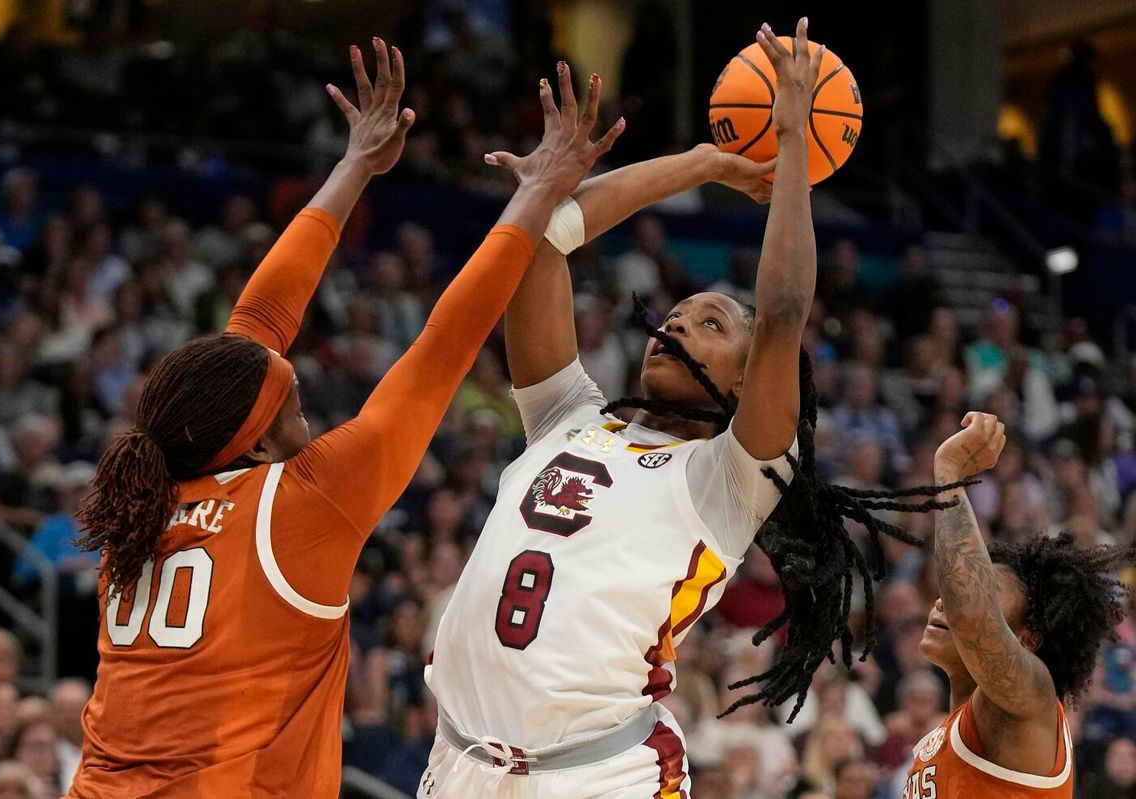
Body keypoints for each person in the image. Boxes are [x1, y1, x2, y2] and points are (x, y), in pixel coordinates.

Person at [67, 39, 623, 797]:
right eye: (293, 402)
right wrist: (536, 195)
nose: (305, 400)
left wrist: (355, 163)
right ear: (254, 443)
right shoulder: (300, 503)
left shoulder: (144, 501)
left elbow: (258, 323)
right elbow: (442, 346)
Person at [422, 20, 959, 797]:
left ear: (746, 380)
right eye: (674, 316)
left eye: (711, 324)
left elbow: (782, 312)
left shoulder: (729, 478)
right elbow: (539, 246)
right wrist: (702, 163)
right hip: (458, 761)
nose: (675, 324)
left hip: (597, 776)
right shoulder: (568, 415)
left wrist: (794, 145)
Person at [905, 410, 1133, 796]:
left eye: (988, 593)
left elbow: (972, 615)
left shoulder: (1030, 698)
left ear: (1027, 639)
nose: (946, 600)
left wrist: (950, 471)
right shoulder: (960, 726)